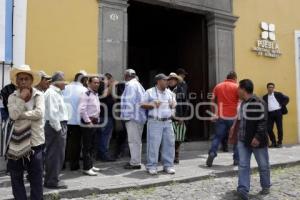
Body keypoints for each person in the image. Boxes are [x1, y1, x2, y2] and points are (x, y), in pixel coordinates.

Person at [7, 65, 45, 200]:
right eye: (20, 79)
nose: (23, 82)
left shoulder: (38, 95)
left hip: (35, 143)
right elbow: (12, 115)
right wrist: (22, 98)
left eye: (26, 79)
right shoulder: (12, 97)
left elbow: (39, 113)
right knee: (15, 176)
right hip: (16, 144)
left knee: (36, 177)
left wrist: (20, 115)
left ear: (31, 80)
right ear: (17, 82)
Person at [235, 79, 271, 200]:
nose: (237, 90)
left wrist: (257, 137)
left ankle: (266, 186)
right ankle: (243, 189)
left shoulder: (259, 102)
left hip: (257, 140)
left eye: (238, 88)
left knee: (263, 165)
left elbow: (263, 122)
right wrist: (233, 131)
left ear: (243, 89)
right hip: (242, 140)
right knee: (243, 165)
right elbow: (241, 120)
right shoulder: (242, 103)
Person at [141, 73, 176, 175]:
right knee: (153, 145)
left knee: (169, 144)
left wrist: (173, 105)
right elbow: (141, 104)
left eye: (167, 80)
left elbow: (174, 104)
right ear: (158, 81)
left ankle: (168, 165)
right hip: (155, 121)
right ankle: (151, 166)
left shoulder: (170, 93)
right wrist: (151, 105)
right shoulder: (150, 92)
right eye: (165, 80)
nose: (167, 82)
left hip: (168, 121)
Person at [206, 71, 239, 167]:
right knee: (236, 139)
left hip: (221, 116)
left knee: (217, 137)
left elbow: (212, 100)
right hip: (234, 117)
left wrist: (214, 112)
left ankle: (212, 153)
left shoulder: (218, 86)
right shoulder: (237, 87)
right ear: (235, 78)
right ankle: (236, 159)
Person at [44, 71, 69, 189]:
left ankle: (52, 179)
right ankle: (52, 181)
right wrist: (59, 130)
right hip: (56, 127)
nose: (65, 83)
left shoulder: (55, 93)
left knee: (56, 155)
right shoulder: (51, 93)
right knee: (55, 155)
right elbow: (52, 114)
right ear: (58, 82)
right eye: (63, 81)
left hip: (57, 126)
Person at [120, 69, 146, 170]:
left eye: (124, 75)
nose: (124, 77)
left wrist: (126, 117)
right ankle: (136, 161)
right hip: (138, 117)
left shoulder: (131, 85)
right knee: (136, 141)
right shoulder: (138, 85)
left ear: (127, 76)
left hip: (133, 117)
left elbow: (129, 102)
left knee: (133, 141)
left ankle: (135, 163)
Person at [63, 72, 88, 170]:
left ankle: (62, 164)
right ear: (84, 80)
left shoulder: (65, 88)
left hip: (64, 120)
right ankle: (74, 165)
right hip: (77, 122)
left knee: (64, 143)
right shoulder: (84, 90)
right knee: (76, 144)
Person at [79, 76, 101, 176]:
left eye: (98, 83)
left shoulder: (95, 94)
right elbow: (82, 110)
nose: (97, 84)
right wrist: (88, 122)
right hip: (88, 123)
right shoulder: (85, 94)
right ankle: (86, 168)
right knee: (87, 146)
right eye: (95, 82)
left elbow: (96, 109)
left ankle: (91, 165)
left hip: (95, 122)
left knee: (93, 145)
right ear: (89, 83)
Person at [97, 73, 117, 162]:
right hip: (104, 116)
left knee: (104, 136)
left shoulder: (106, 87)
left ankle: (101, 153)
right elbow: (104, 95)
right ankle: (103, 154)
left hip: (107, 116)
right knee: (104, 136)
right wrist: (111, 85)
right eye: (111, 80)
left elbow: (114, 99)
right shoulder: (101, 86)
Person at [263, 83, 289, 148]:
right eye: (269, 87)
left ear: (274, 88)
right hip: (270, 114)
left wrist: (282, 104)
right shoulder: (265, 97)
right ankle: (273, 142)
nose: (271, 88)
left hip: (278, 113)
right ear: (267, 88)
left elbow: (287, 98)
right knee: (269, 128)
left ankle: (279, 142)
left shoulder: (278, 94)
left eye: (272, 87)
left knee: (279, 128)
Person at [168, 72, 186, 164]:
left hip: (178, 116)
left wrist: (182, 117)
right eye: (169, 79)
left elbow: (185, 104)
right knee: (168, 137)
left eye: (173, 79)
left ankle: (177, 155)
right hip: (167, 117)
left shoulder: (180, 90)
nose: (171, 81)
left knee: (178, 137)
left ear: (176, 81)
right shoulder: (165, 90)